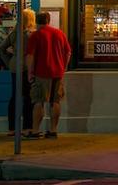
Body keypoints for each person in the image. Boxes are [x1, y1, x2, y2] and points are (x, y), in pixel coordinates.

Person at [25, 11, 71, 139]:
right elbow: (68, 53)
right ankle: (53, 130)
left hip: (41, 73)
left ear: (36, 21)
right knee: (55, 101)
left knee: (38, 101)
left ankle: (35, 131)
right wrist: (63, 67)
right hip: (58, 73)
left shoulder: (36, 35)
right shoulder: (60, 33)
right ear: (48, 20)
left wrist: (30, 72)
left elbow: (30, 56)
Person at [0, 8, 36, 136]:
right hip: (27, 66)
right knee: (28, 97)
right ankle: (27, 127)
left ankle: (12, 128)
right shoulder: (30, 34)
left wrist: (9, 62)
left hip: (15, 66)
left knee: (15, 96)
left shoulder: (14, 33)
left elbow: (1, 48)